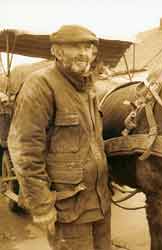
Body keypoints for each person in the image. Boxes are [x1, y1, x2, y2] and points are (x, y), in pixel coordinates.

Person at [7, 25, 112, 250]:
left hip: (100, 203)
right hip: (67, 209)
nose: (84, 53)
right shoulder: (41, 85)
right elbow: (24, 151)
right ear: (56, 51)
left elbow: (91, 144)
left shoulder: (87, 88)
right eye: (76, 46)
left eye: (88, 47)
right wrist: (42, 206)